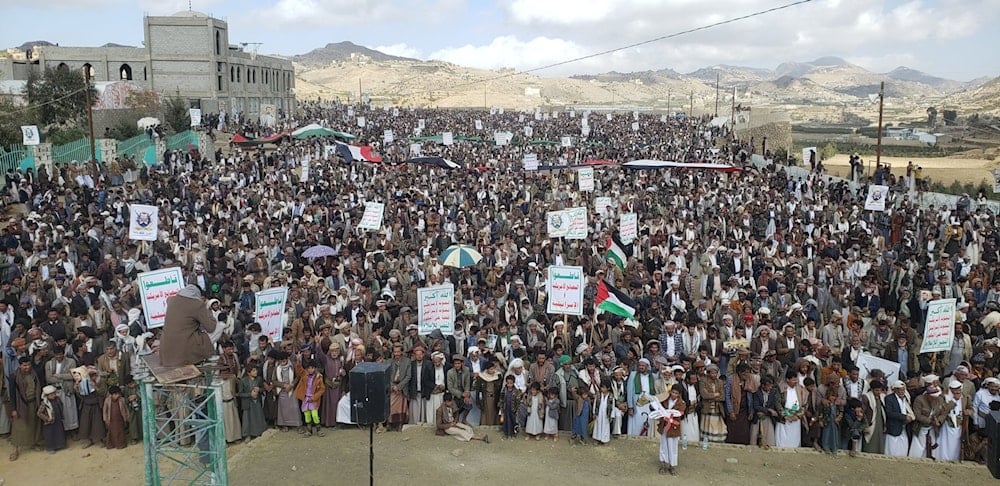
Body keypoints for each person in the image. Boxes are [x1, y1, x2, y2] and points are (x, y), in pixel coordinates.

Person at [159, 284, 219, 367]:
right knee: (205, 336)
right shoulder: (198, 304)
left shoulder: (171, 300)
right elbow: (210, 327)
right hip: (184, 351)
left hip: (166, 349)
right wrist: (207, 310)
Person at [9, 356, 41, 461]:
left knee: (33, 424)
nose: (27, 367)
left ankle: (33, 443)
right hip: (20, 404)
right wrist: (13, 409)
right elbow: (12, 394)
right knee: (19, 427)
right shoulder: (14, 376)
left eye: (28, 365)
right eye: (24, 365)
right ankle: (15, 449)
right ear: (20, 365)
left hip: (33, 402)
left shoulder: (34, 373)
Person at [936, 380, 971, 462]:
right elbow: (943, 411)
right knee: (945, 444)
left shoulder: (965, 397)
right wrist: (953, 401)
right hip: (947, 425)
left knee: (956, 445)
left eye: (958, 390)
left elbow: (971, 408)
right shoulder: (944, 397)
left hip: (959, 425)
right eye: (954, 390)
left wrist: (969, 411)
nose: (957, 392)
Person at [658, 385, 686, 476]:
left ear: (679, 394)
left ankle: (672, 465)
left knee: (673, 447)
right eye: (673, 392)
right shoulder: (665, 399)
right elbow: (659, 407)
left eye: (676, 393)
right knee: (663, 445)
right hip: (664, 426)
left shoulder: (681, 403)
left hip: (673, 427)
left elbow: (680, 413)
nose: (674, 394)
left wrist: (671, 416)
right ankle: (663, 464)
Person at [294, 358, 325, 437]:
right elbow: (298, 369)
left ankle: (318, 430)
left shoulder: (318, 377)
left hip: (313, 399)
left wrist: (314, 397)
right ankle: (309, 430)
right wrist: (298, 361)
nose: (311, 370)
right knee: (307, 415)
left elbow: (322, 389)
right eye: (309, 368)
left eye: (312, 368)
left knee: (315, 415)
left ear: (315, 368)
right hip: (305, 398)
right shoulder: (304, 374)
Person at [775, 371, 805, 448]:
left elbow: (804, 404)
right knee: (783, 437)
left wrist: (797, 416)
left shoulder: (800, 389)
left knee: (794, 437)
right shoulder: (781, 388)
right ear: (787, 380)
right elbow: (778, 403)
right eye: (793, 380)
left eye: (796, 380)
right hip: (784, 417)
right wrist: (785, 416)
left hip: (796, 417)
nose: (795, 382)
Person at [237, 363, 267, 441]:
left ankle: (258, 432)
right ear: (248, 372)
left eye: (256, 370)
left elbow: (263, 389)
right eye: (253, 371)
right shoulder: (243, 381)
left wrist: (259, 390)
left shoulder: (259, 379)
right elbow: (240, 394)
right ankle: (247, 435)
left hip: (256, 401)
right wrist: (250, 394)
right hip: (247, 402)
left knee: (258, 416)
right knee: (247, 419)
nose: (255, 372)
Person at [884, 380, 914, 457]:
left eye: (903, 389)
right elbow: (889, 413)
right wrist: (904, 417)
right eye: (900, 389)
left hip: (903, 428)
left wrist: (910, 417)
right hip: (894, 427)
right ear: (895, 390)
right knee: (892, 450)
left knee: (903, 450)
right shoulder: (889, 398)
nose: (902, 391)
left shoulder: (906, 398)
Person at [750, 375, 778, 448]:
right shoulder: (756, 393)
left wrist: (766, 412)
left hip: (768, 417)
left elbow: (773, 405)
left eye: (771, 385)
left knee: (770, 438)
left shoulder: (773, 392)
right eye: (768, 386)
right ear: (762, 385)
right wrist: (768, 410)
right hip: (758, 417)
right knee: (754, 436)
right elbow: (756, 406)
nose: (770, 387)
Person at [37, 384, 66, 454]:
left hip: (58, 420)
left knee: (59, 432)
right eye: (51, 395)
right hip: (49, 422)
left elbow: (61, 405)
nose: (53, 396)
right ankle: (50, 448)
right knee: (50, 435)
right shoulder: (44, 403)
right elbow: (39, 413)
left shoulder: (57, 399)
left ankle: (60, 445)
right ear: (46, 396)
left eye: (54, 394)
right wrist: (47, 418)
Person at [102, 384, 129, 449]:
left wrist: (127, 417)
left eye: (118, 394)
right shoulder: (107, 400)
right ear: (111, 394)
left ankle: (120, 445)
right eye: (116, 394)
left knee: (120, 432)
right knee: (111, 432)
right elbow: (104, 410)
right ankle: (112, 445)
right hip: (111, 419)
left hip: (120, 419)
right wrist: (105, 419)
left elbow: (126, 409)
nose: (117, 395)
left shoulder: (122, 400)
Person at [500, 375, 521, 440]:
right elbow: (501, 399)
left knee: (513, 421)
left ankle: (513, 433)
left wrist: (517, 410)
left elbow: (518, 401)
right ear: (506, 382)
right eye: (508, 383)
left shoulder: (516, 391)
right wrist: (501, 408)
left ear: (513, 383)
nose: (509, 385)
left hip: (513, 409)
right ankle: (506, 433)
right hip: (506, 408)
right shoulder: (504, 390)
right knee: (506, 421)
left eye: (511, 383)